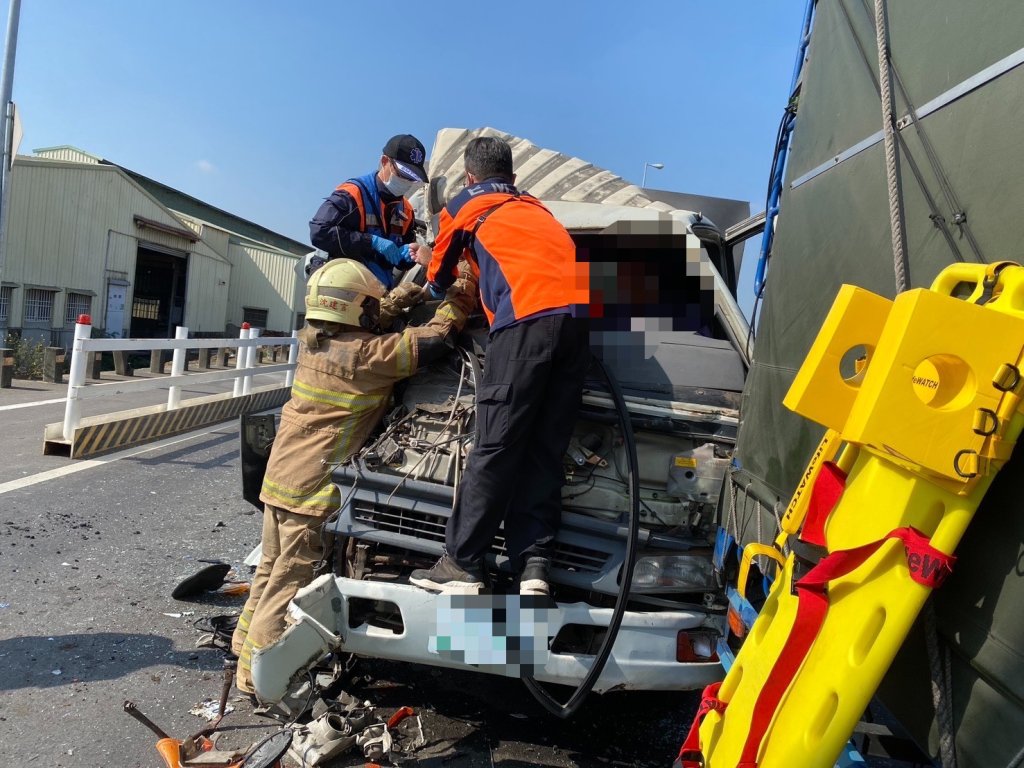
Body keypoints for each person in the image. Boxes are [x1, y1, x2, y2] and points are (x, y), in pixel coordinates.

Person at [232, 258, 477, 695]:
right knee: (289, 579)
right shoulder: (367, 357)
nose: (373, 312)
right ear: (353, 310)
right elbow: (434, 341)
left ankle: (242, 644)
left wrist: (400, 297)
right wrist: (460, 297)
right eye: (369, 305)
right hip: (311, 489)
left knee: (270, 569)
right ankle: (256, 676)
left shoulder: (317, 341)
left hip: (279, 479)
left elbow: (368, 322)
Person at [409, 136, 590, 597]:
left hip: (525, 323)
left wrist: (429, 261)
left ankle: (462, 562)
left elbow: (436, 283)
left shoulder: (462, 206)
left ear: (470, 176)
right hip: (577, 326)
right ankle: (533, 566)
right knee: (544, 449)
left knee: (496, 444)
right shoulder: (537, 209)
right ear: (512, 176)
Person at [309, 134, 429, 289]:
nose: (407, 182)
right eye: (402, 174)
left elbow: (398, 262)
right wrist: (371, 241)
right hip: (336, 284)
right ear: (384, 161)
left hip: (373, 290)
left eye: (412, 178)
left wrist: (408, 256)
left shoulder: (406, 211)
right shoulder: (353, 194)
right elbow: (319, 232)